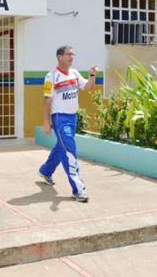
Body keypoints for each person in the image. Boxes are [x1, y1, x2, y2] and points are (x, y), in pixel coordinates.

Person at [39, 45, 98, 202]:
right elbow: (47, 100)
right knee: (70, 150)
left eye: (73, 55)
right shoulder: (51, 76)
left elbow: (88, 87)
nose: (71, 57)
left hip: (73, 117)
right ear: (59, 57)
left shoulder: (74, 73)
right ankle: (78, 188)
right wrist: (46, 122)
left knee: (62, 147)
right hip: (60, 118)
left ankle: (46, 170)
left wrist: (92, 75)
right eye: (68, 54)